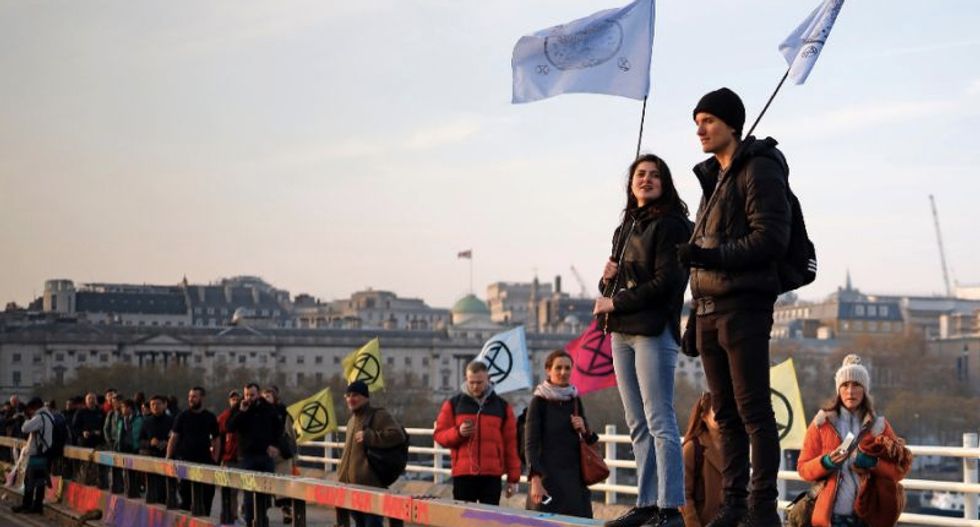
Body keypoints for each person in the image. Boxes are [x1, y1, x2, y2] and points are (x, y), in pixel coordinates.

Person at [677, 87, 792, 527]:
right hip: (707, 310)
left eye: (707, 120)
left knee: (753, 411)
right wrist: (692, 316)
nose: (700, 130)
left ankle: (760, 508)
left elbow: (770, 239)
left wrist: (709, 257)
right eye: (697, 123)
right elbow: (699, 254)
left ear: (731, 125)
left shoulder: (758, 168)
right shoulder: (713, 180)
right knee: (723, 414)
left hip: (744, 306)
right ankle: (732, 505)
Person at [593, 153, 692, 527]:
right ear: (630, 183)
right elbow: (614, 286)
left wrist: (614, 298)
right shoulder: (625, 228)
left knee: (659, 419)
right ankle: (647, 503)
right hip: (620, 331)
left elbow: (668, 283)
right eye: (640, 174)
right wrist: (606, 279)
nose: (646, 179)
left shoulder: (673, 225)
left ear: (664, 183)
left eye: (654, 175)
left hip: (653, 330)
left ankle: (671, 508)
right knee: (636, 421)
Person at [798, 355, 911, 527]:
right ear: (838, 390)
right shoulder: (821, 424)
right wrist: (826, 462)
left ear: (865, 390)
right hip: (830, 517)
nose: (850, 391)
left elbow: (899, 471)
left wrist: (873, 463)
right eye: (845, 385)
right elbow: (803, 469)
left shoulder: (879, 426)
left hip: (868, 517)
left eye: (856, 385)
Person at [433, 360, 521, 505]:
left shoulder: (502, 407)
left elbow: (511, 444)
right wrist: (458, 433)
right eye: (471, 382)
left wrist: (513, 479)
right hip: (463, 474)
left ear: (488, 379)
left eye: (479, 382)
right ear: (466, 379)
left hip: (491, 475)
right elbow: (439, 435)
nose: (475, 386)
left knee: (490, 521)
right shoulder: (453, 404)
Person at [525, 350, 598, 518]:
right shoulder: (538, 402)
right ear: (548, 370)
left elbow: (590, 440)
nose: (563, 372)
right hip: (547, 480)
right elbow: (530, 444)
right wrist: (535, 480)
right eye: (558, 368)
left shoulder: (574, 399)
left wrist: (584, 428)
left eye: (567, 368)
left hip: (575, 481)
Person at [336, 381, 407, 527]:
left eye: (355, 395)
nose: (350, 399)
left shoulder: (378, 415)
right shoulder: (351, 421)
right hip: (351, 488)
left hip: (371, 487)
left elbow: (398, 435)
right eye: (347, 395)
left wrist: (370, 437)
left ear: (366, 397)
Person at [226, 382, 281, 527]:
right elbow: (230, 427)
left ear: (258, 394)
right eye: (246, 395)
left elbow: (278, 429)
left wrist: (275, 445)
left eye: (252, 395)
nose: (249, 398)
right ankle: (250, 520)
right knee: (249, 494)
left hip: (265, 456)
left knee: (266, 492)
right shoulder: (240, 407)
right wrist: (241, 412)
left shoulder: (268, 408)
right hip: (247, 456)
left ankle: (262, 518)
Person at [166, 387, 220, 515]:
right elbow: (174, 438)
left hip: (205, 461)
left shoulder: (210, 417)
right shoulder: (182, 416)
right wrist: (168, 457)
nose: (191, 399)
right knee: (186, 498)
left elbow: (217, 439)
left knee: (207, 496)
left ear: (202, 398)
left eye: (194, 396)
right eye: (190, 396)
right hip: (185, 462)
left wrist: (215, 459)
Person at [681, 393, 724, 527]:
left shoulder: (735, 449)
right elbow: (683, 495)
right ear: (704, 416)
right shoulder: (692, 448)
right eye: (717, 410)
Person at [11, 398, 53, 514]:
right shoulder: (49, 416)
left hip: (37, 453)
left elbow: (25, 428)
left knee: (30, 480)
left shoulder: (39, 417)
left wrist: (24, 419)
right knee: (40, 481)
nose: (29, 413)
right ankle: (37, 506)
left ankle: (27, 505)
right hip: (45, 452)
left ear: (34, 408)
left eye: (29, 410)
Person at [262, 386, 297, 524]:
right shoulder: (257, 412)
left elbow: (290, 434)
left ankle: (286, 510)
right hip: (263, 453)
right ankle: (258, 511)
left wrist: (294, 454)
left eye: (269, 396)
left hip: (281, 454)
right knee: (264, 484)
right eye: (264, 396)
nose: (267, 399)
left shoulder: (283, 412)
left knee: (283, 485)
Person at [139, 395, 173, 504]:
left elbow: (178, 438)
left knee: (166, 491)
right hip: (151, 460)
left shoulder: (171, 420)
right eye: (152, 404)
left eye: (158, 404)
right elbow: (140, 441)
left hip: (167, 459)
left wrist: (168, 443)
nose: (155, 406)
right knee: (152, 492)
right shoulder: (146, 421)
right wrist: (150, 443)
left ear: (164, 405)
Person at [216, 390, 242, 525]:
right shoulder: (223, 417)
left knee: (234, 491)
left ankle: (234, 515)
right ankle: (228, 515)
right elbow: (218, 438)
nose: (235, 401)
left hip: (240, 459)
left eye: (237, 399)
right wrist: (217, 457)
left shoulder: (245, 415)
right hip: (228, 459)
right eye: (233, 399)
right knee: (228, 490)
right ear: (229, 401)